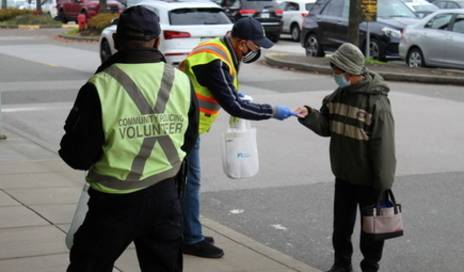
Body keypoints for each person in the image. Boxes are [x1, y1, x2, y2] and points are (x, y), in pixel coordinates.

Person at [59, 6, 198, 272]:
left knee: (89, 265)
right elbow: (189, 140)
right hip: (165, 196)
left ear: (117, 40)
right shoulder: (181, 80)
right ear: (157, 41)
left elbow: (76, 156)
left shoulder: (100, 86)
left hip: (113, 201)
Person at [178, 17, 295, 258]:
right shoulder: (216, 60)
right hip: (183, 125)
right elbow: (234, 107)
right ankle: (190, 238)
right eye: (254, 46)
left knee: (184, 180)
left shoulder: (220, 49)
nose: (255, 51)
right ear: (242, 43)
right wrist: (272, 111)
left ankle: (186, 229)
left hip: (186, 120)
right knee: (190, 181)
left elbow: (225, 91)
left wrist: (235, 94)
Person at [294, 43, 396, 272]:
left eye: (337, 70)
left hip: (370, 180)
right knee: (341, 227)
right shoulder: (337, 96)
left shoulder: (376, 102)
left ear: (349, 71)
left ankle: (370, 265)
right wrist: (309, 115)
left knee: (372, 230)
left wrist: (383, 184)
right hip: (344, 176)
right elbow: (326, 126)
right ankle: (342, 264)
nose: (335, 75)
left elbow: (384, 146)